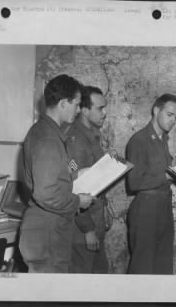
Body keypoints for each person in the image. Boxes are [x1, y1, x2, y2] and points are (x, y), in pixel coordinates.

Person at [19, 74, 94, 273]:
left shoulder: (45, 132)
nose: (79, 110)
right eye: (76, 104)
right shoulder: (48, 139)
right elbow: (46, 193)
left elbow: (50, 179)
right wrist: (78, 201)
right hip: (48, 231)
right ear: (63, 103)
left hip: (47, 230)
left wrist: (75, 175)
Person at [126, 94, 176, 274]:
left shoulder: (163, 139)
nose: (173, 120)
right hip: (146, 211)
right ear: (156, 110)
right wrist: (166, 176)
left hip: (163, 208)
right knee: (142, 268)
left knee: (163, 267)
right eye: (170, 114)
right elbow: (133, 182)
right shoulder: (139, 140)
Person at [65, 85, 113, 274]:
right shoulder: (74, 139)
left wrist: (105, 208)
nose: (105, 113)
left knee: (99, 275)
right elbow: (74, 186)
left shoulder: (92, 136)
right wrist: (88, 229)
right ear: (84, 110)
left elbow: (95, 180)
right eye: (100, 108)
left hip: (95, 219)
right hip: (82, 229)